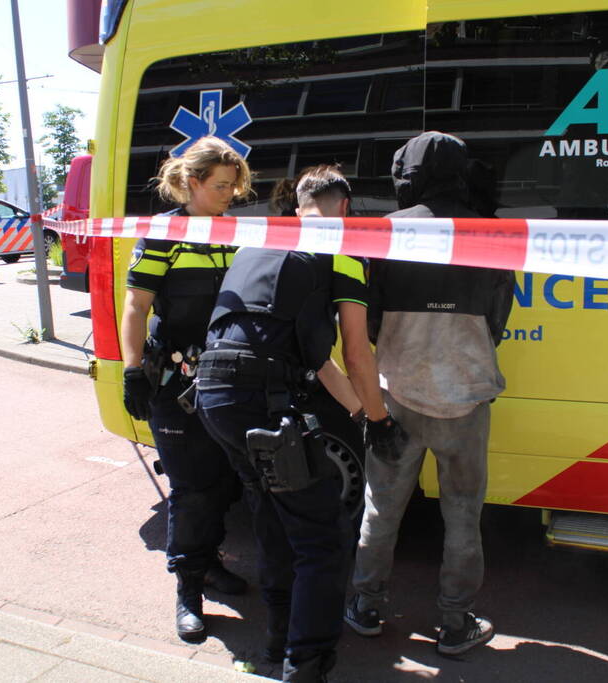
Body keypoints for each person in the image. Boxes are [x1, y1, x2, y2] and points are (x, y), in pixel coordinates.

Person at [196, 165, 405, 682]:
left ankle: (276, 638)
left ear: (297, 208)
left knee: (272, 515)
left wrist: (358, 412)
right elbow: (356, 354)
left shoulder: (259, 243)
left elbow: (316, 360)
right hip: (261, 399)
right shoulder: (345, 252)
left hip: (212, 395)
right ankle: (305, 664)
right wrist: (379, 421)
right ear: (346, 211)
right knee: (322, 538)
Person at [344, 132, 515, 656]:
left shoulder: (386, 231)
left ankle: (367, 605)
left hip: (397, 395)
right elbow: (499, 315)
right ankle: (455, 621)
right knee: (463, 513)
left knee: (382, 506)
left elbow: (366, 322)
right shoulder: (489, 232)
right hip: (466, 397)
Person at [120, 136, 253, 643]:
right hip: (176, 381)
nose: (230, 194)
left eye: (234, 186)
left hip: (227, 378)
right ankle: (188, 591)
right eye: (221, 186)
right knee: (194, 488)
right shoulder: (164, 236)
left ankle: (210, 563)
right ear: (192, 183)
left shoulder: (237, 232)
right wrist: (132, 370)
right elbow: (137, 307)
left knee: (225, 482)